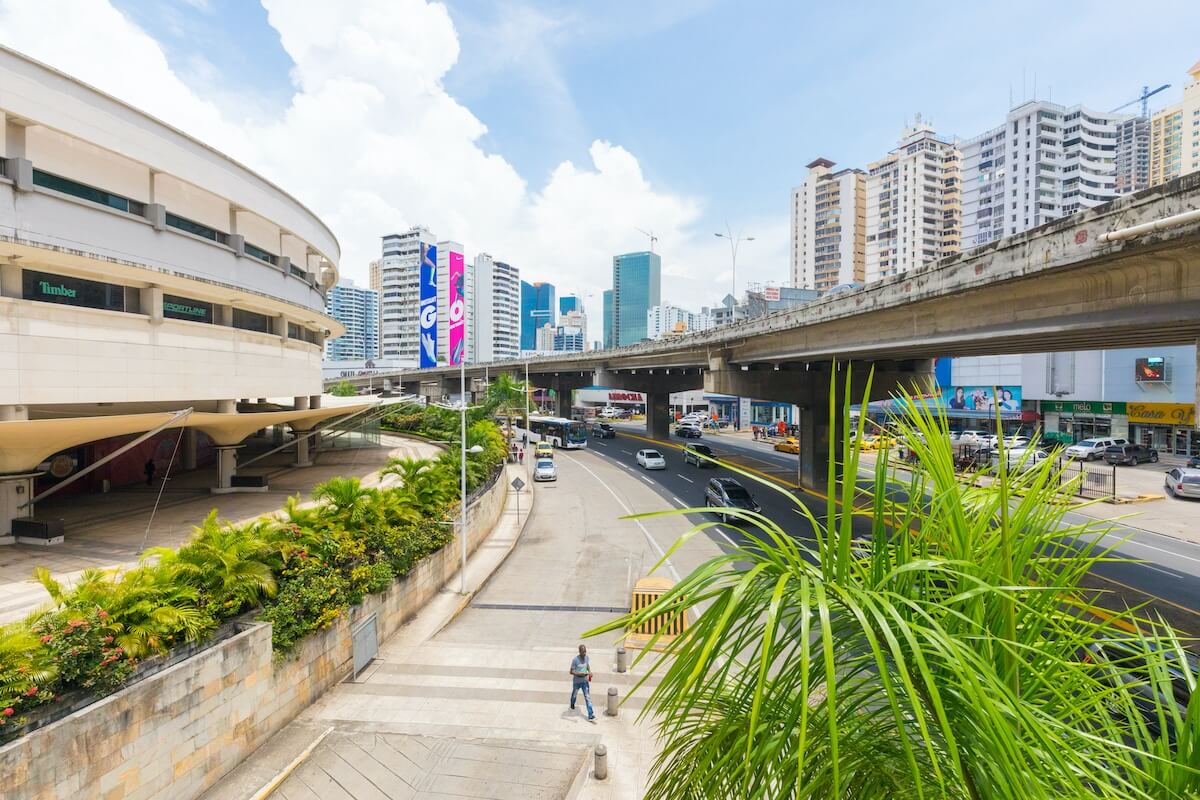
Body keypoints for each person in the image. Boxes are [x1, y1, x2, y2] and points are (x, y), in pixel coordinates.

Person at [569, 644, 595, 720]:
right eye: (583, 652)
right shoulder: (575, 660)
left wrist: (590, 671)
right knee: (574, 695)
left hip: (585, 682)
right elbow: (571, 671)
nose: (584, 653)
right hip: (577, 682)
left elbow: (587, 665)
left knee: (587, 698)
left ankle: (591, 715)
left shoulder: (587, 658)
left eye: (585, 651)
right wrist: (579, 674)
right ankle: (572, 703)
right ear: (579, 652)